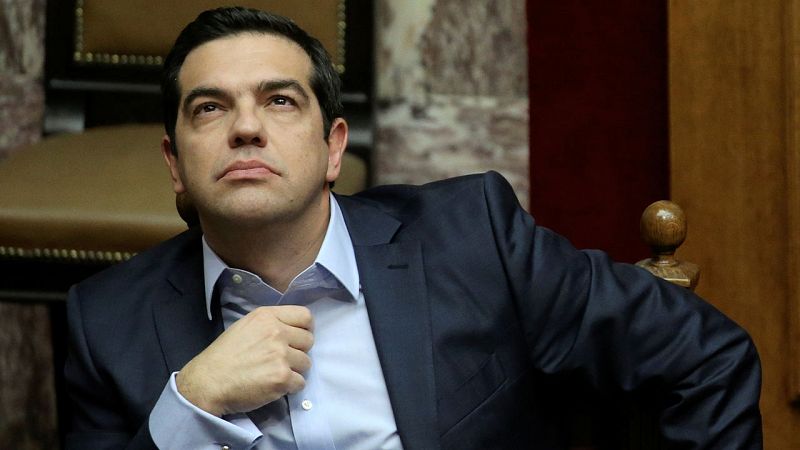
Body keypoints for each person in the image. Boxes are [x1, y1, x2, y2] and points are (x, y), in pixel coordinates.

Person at [64, 6, 763, 450]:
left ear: (334, 147)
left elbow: (708, 358)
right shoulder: (105, 326)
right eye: (210, 108)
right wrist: (192, 407)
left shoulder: (473, 240)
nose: (246, 127)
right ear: (175, 164)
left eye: (279, 101)